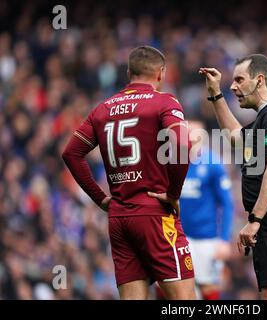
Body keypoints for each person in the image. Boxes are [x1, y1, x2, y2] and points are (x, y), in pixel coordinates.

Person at [62, 45, 196, 300]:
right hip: (154, 213)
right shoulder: (164, 101)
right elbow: (181, 143)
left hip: (119, 217)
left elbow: (71, 153)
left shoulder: (103, 108)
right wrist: (173, 193)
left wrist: (100, 198)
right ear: (160, 73)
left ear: (128, 72)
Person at [199, 54, 267, 300]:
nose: (233, 86)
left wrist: (256, 219)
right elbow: (237, 138)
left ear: (259, 80)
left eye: (239, 79)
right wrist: (215, 95)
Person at [180, 118, 234, 300]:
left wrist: (224, 239)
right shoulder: (172, 163)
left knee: (207, 286)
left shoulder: (213, 163)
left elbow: (227, 203)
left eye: (195, 133)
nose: (191, 137)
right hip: (178, 238)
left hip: (206, 238)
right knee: (177, 287)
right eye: (187, 133)